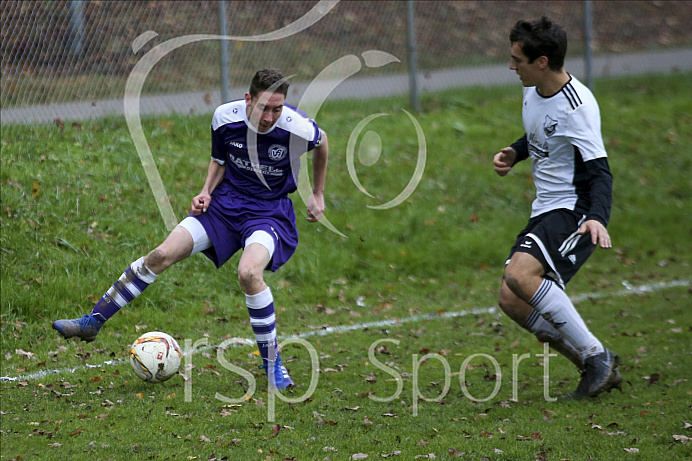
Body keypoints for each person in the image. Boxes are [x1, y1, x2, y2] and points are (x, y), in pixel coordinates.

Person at [53, 68, 329, 390]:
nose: (269, 117)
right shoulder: (225, 118)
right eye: (263, 107)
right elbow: (219, 161)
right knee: (161, 254)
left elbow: (323, 144)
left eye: (277, 108)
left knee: (249, 274)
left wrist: (318, 192)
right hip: (225, 205)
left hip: (268, 212)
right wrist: (205, 192)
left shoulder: (297, 128)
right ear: (248, 100)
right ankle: (92, 322)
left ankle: (273, 365)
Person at [492, 18, 621, 399]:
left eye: (518, 59)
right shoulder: (533, 89)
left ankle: (597, 357)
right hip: (545, 208)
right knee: (511, 300)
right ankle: (590, 362)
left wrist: (596, 216)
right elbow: (543, 135)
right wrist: (516, 151)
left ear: (542, 61)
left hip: (573, 209)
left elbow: (600, 172)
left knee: (520, 275)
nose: (511, 66)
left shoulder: (577, 108)